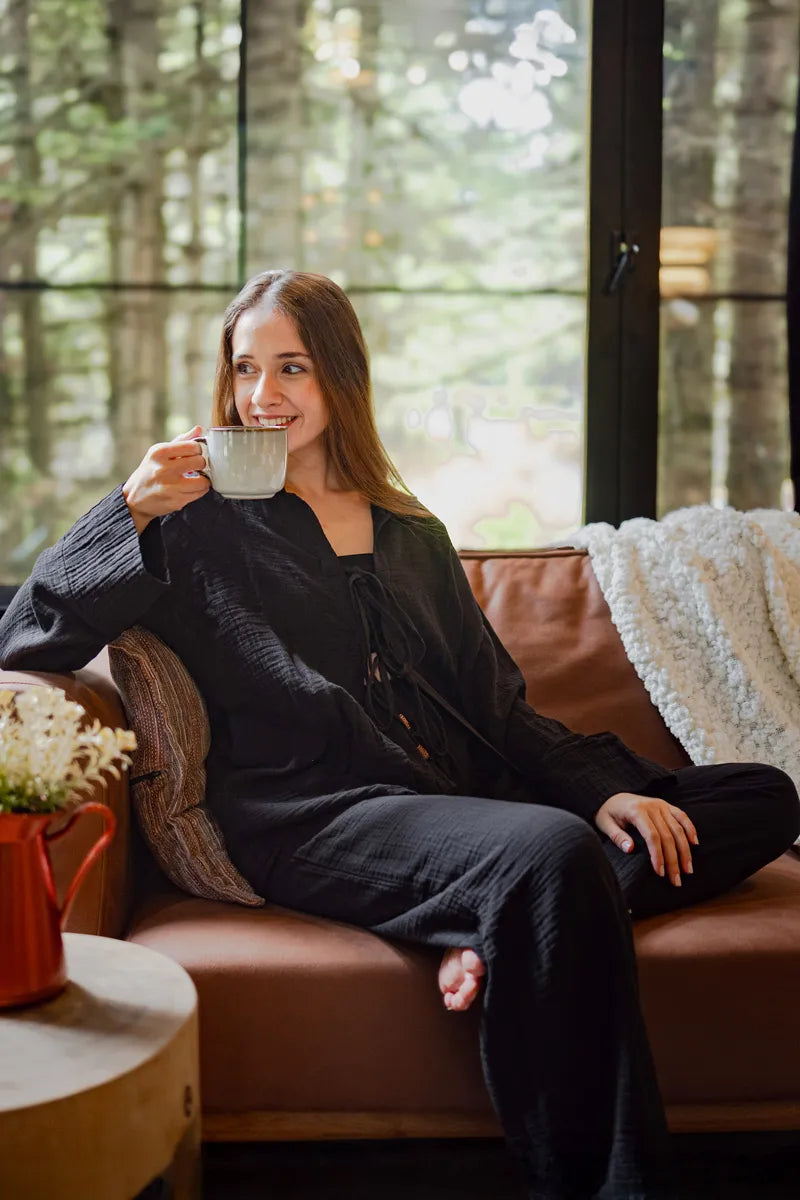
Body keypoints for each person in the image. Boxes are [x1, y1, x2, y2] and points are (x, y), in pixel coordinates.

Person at [1, 269, 797, 1200]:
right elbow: (26, 637)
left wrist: (605, 791)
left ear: (340, 376)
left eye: (292, 367)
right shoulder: (194, 525)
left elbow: (499, 709)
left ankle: (501, 924)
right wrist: (127, 509)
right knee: (549, 853)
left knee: (761, 794)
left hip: (460, 799)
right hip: (313, 813)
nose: (263, 394)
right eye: (246, 367)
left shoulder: (411, 533)